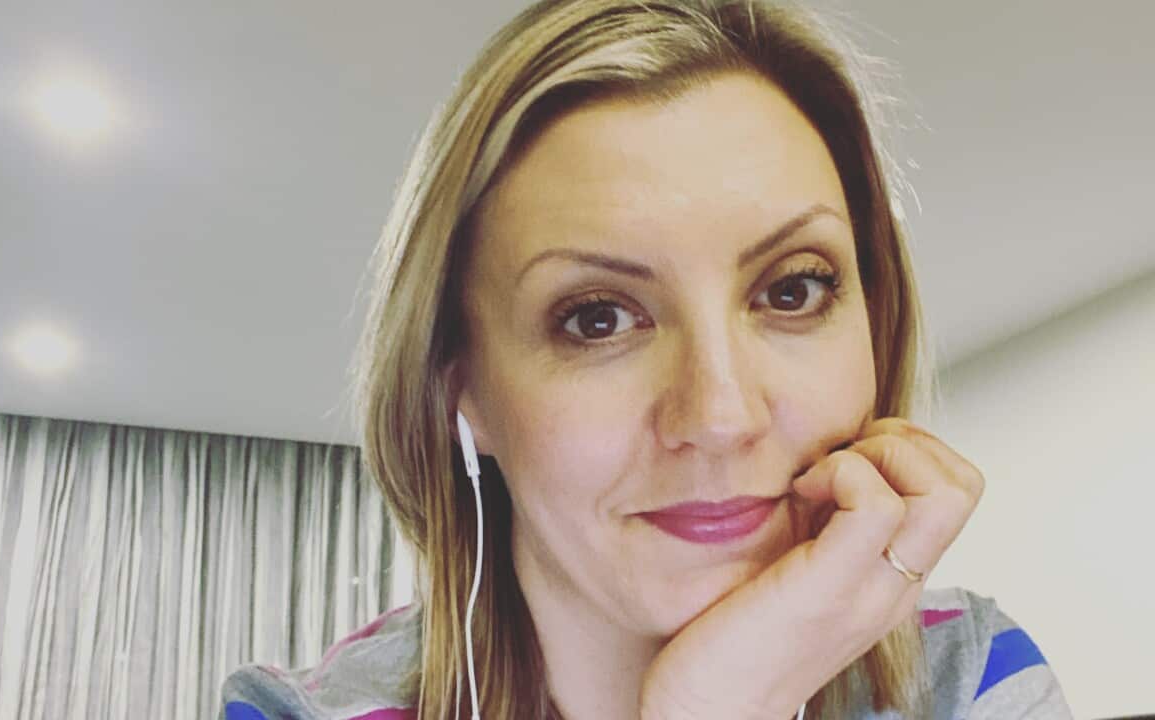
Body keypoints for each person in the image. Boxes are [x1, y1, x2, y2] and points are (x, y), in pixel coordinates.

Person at [221, 0, 1074, 718]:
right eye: (598, 319)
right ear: (462, 386)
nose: (721, 414)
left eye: (791, 291)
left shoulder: (971, 677)